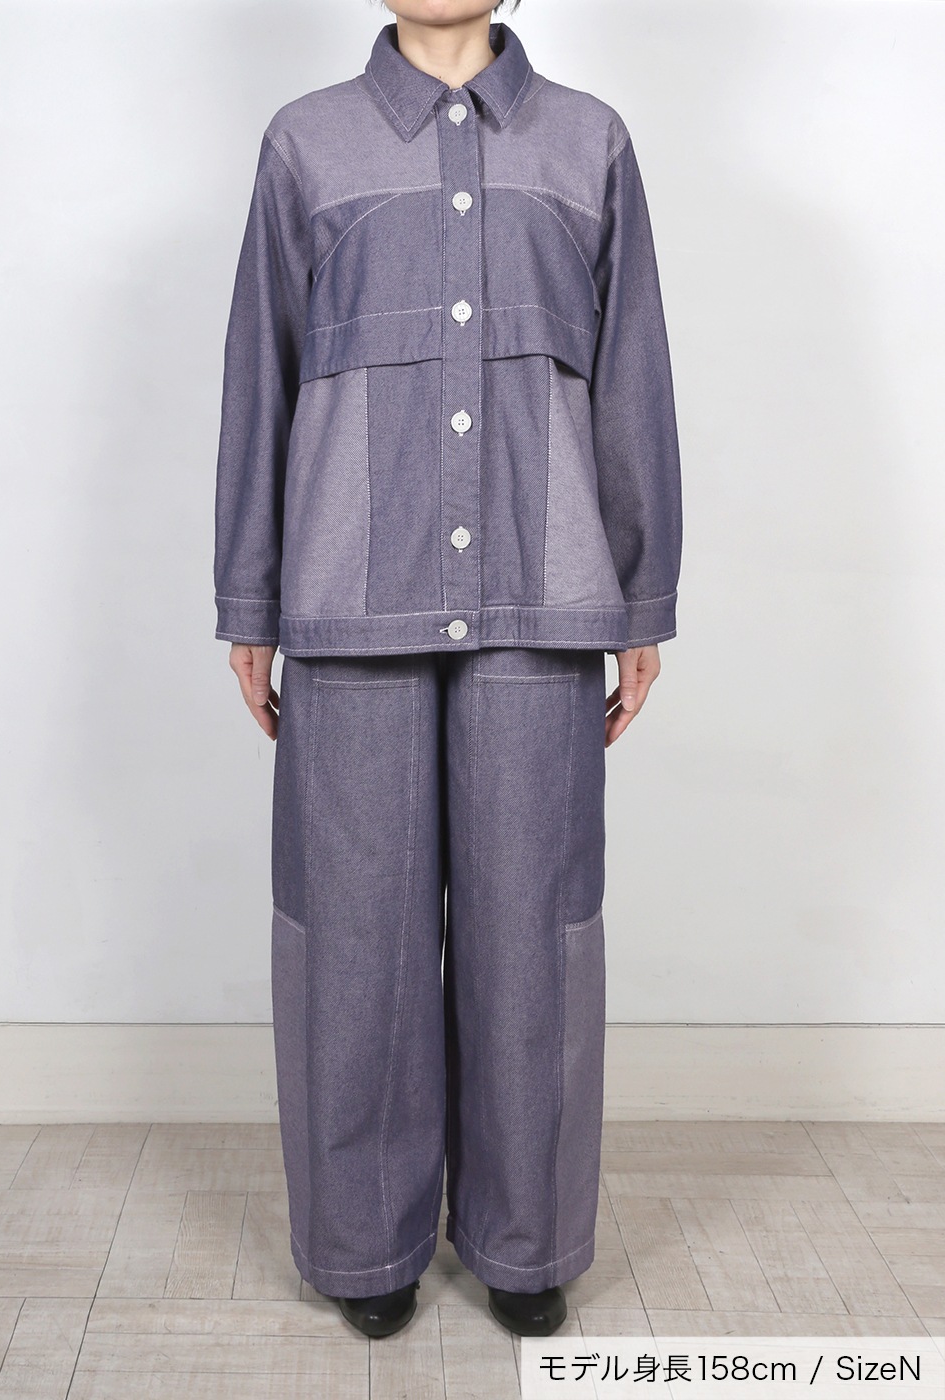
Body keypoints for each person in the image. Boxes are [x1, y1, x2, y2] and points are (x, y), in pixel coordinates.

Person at [213, 0, 682, 1341]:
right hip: (349, 600)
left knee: (536, 932)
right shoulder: (304, 146)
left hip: (544, 595)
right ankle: (365, 1243)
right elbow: (261, 374)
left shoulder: (590, 145)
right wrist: (251, 599)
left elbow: (632, 377)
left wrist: (641, 595)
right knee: (351, 937)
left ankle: (527, 1239)